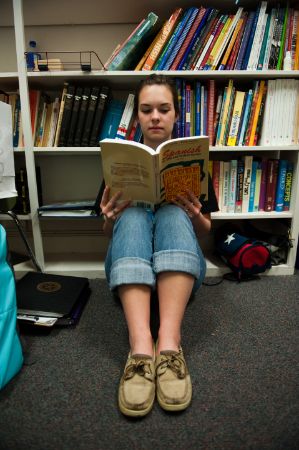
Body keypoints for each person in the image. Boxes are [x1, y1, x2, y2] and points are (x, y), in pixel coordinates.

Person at [100, 74, 219, 417]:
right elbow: (109, 233)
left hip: (180, 265)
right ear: (137, 115)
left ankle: (168, 345)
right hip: (128, 262)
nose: (155, 116)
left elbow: (207, 232)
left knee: (171, 213)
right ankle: (140, 348)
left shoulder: (192, 160)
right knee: (134, 216)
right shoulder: (118, 159)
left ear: (175, 115)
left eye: (163, 109)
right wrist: (109, 217)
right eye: (146, 109)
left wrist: (195, 214)